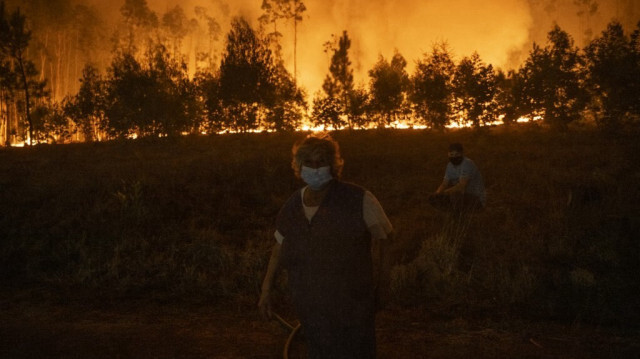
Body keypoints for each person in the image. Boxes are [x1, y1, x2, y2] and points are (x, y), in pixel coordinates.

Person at [258, 132, 393, 359]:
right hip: (310, 303)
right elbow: (278, 248)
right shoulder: (293, 205)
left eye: (321, 162)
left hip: (352, 304)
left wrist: (383, 287)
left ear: (333, 165)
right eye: (308, 162)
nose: (315, 167)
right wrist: (265, 291)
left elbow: (387, 239)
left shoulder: (358, 199)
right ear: (299, 167)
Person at [428, 143, 486, 212]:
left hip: (476, 198)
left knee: (455, 194)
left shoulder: (467, 163)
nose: (454, 157)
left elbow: (461, 186)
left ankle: (459, 217)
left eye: (457, 154)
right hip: (462, 196)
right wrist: (438, 193)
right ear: (448, 154)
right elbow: (444, 183)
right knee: (433, 198)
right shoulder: (450, 166)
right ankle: (451, 214)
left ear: (461, 154)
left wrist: (445, 192)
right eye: (451, 154)